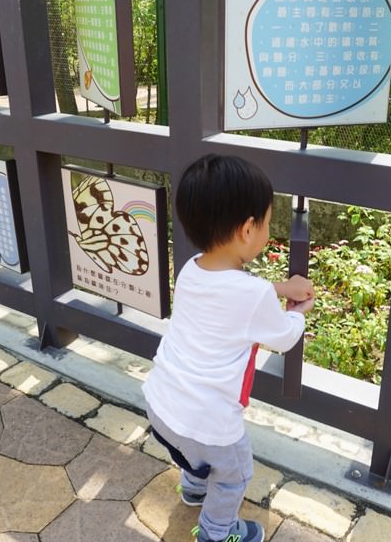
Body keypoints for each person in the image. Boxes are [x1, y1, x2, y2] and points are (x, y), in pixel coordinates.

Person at [143, 154, 314, 542]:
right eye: (268, 224)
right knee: (234, 474)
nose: (269, 232)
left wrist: (281, 289)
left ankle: (192, 489)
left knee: (196, 452)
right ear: (248, 229)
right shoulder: (251, 295)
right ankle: (217, 532)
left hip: (160, 404)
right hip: (210, 423)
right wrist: (299, 311)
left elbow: (239, 298)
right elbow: (283, 337)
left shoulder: (191, 268)